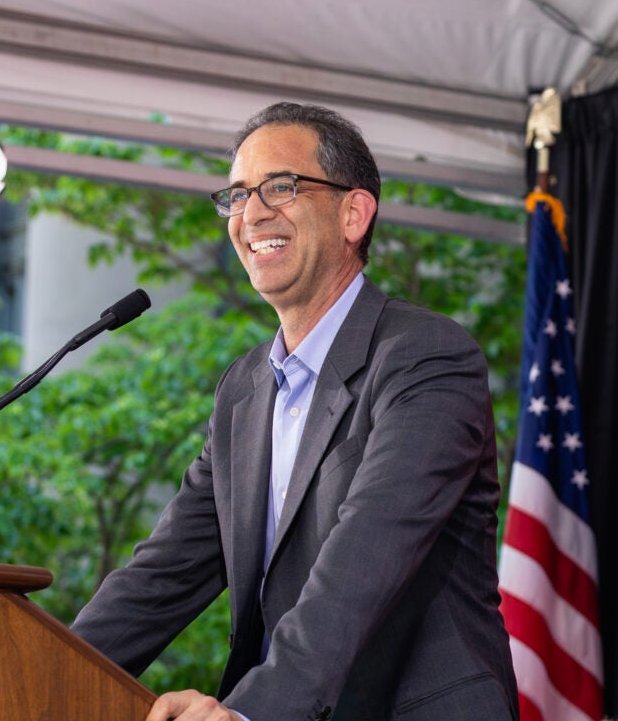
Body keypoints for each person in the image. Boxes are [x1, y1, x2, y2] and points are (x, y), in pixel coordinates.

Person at [71, 102, 519, 721]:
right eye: (236, 195)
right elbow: (160, 578)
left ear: (354, 213)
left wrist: (251, 713)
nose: (251, 213)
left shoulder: (426, 357)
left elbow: (365, 560)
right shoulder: (244, 391)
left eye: (280, 187)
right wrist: (32, 676)